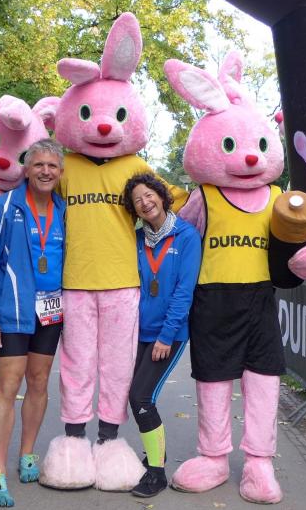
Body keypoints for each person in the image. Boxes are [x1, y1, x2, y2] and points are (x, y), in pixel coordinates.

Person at [0, 139, 66, 508]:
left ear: (61, 172)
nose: (45, 171)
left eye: (52, 166)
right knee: (8, 386)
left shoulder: (63, 209)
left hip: (50, 311)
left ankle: (27, 455)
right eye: (38, 164)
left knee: (39, 382)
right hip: (12, 311)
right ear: (27, 169)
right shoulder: (6, 205)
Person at [122, 173, 201, 497]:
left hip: (169, 333)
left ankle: (156, 473)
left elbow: (184, 291)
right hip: (139, 332)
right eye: (138, 200)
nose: (145, 202)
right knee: (137, 396)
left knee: (141, 397)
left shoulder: (187, 236)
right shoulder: (137, 239)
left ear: (161, 195)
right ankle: (157, 453)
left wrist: (166, 336)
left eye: (149, 195)